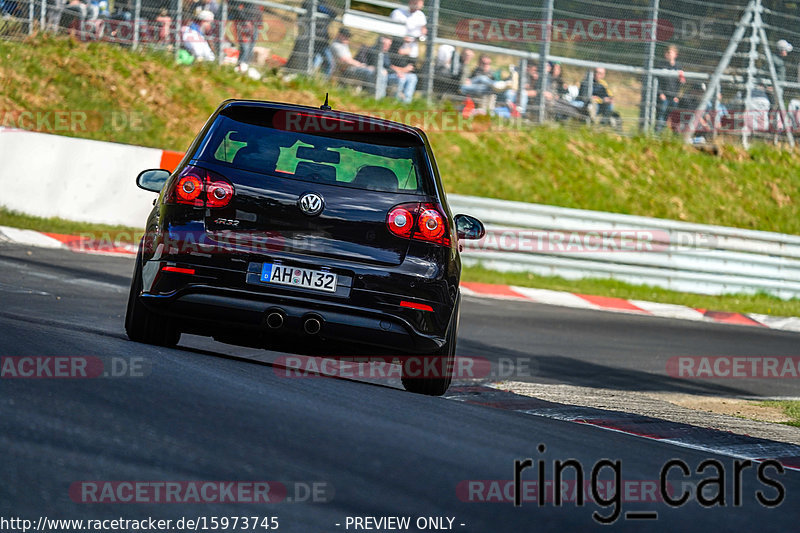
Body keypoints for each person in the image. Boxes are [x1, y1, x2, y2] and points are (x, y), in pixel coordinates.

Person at [655, 45, 685, 132]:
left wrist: (677, 96)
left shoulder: (678, 67)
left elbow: (681, 83)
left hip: (673, 97)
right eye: (667, 52)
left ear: (675, 55)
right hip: (663, 96)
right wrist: (660, 93)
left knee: (670, 115)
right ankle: (657, 133)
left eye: (670, 52)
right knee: (661, 114)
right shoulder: (661, 65)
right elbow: (657, 81)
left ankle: (668, 133)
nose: (668, 54)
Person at [230, 0, 263, 69]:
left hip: (255, 25)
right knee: (245, 47)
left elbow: (260, 10)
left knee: (251, 47)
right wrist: (246, 20)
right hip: (244, 24)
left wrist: (260, 23)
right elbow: (235, 6)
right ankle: (239, 66)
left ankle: (244, 67)